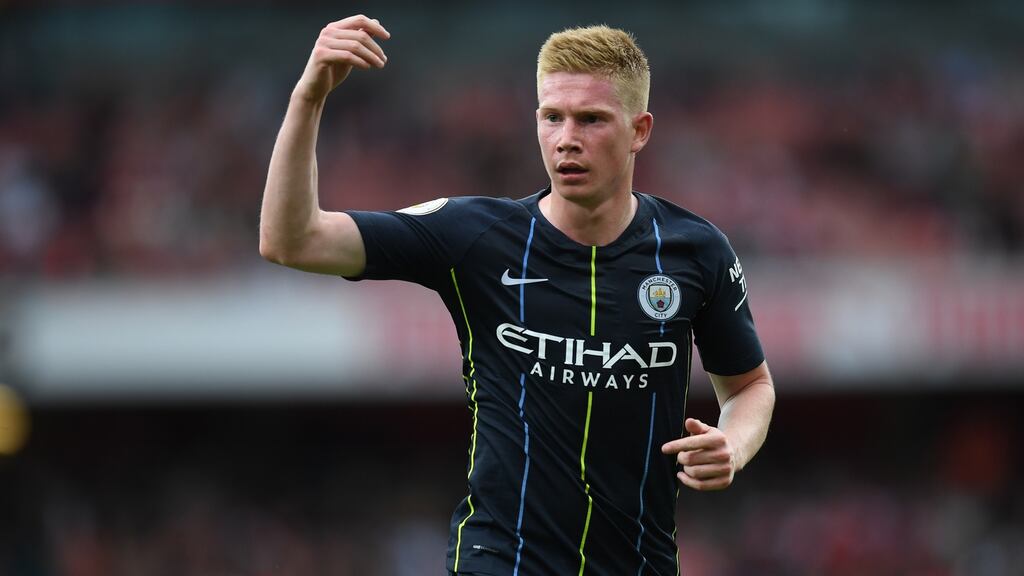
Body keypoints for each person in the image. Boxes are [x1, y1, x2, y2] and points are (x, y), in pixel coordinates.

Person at [260, 14, 775, 576]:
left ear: (640, 130)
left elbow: (750, 385)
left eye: (592, 119)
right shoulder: (475, 237)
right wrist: (308, 97)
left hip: (638, 563)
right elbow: (293, 240)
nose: (566, 139)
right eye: (552, 117)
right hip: (501, 561)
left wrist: (734, 444)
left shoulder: (695, 252)